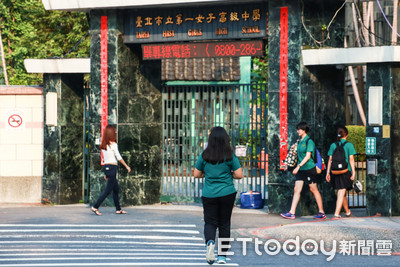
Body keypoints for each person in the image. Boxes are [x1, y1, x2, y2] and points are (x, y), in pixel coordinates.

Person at [194, 127, 243, 265]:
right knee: (224, 224)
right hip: (227, 193)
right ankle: (222, 256)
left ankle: (210, 243)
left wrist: (207, 174)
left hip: (209, 194)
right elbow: (239, 174)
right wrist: (229, 174)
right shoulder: (229, 155)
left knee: (210, 222)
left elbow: (196, 174)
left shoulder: (204, 155)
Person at [280, 122, 326, 220]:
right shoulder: (299, 141)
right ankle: (291, 212)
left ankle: (321, 212)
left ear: (304, 130)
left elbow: (308, 156)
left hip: (309, 168)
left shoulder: (309, 141)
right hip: (301, 169)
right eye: (297, 129)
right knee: (297, 189)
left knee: (313, 189)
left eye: (299, 129)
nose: (297, 131)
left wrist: (298, 166)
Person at [91, 125, 131, 216]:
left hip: (107, 167)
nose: (116, 132)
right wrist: (126, 166)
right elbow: (118, 157)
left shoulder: (104, 145)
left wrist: (106, 172)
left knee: (116, 189)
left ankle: (118, 209)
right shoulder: (113, 144)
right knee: (108, 190)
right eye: (114, 131)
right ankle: (95, 206)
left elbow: (105, 159)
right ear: (111, 133)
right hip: (112, 168)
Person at [326, 126, 356, 218]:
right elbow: (351, 159)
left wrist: (328, 172)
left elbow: (330, 159)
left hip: (335, 171)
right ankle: (336, 213)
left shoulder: (333, 145)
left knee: (342, 192)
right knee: (341, 191)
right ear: (346, 134)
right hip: (345, 171)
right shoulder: (349, 145)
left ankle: (347, 211)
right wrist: (354, 172)